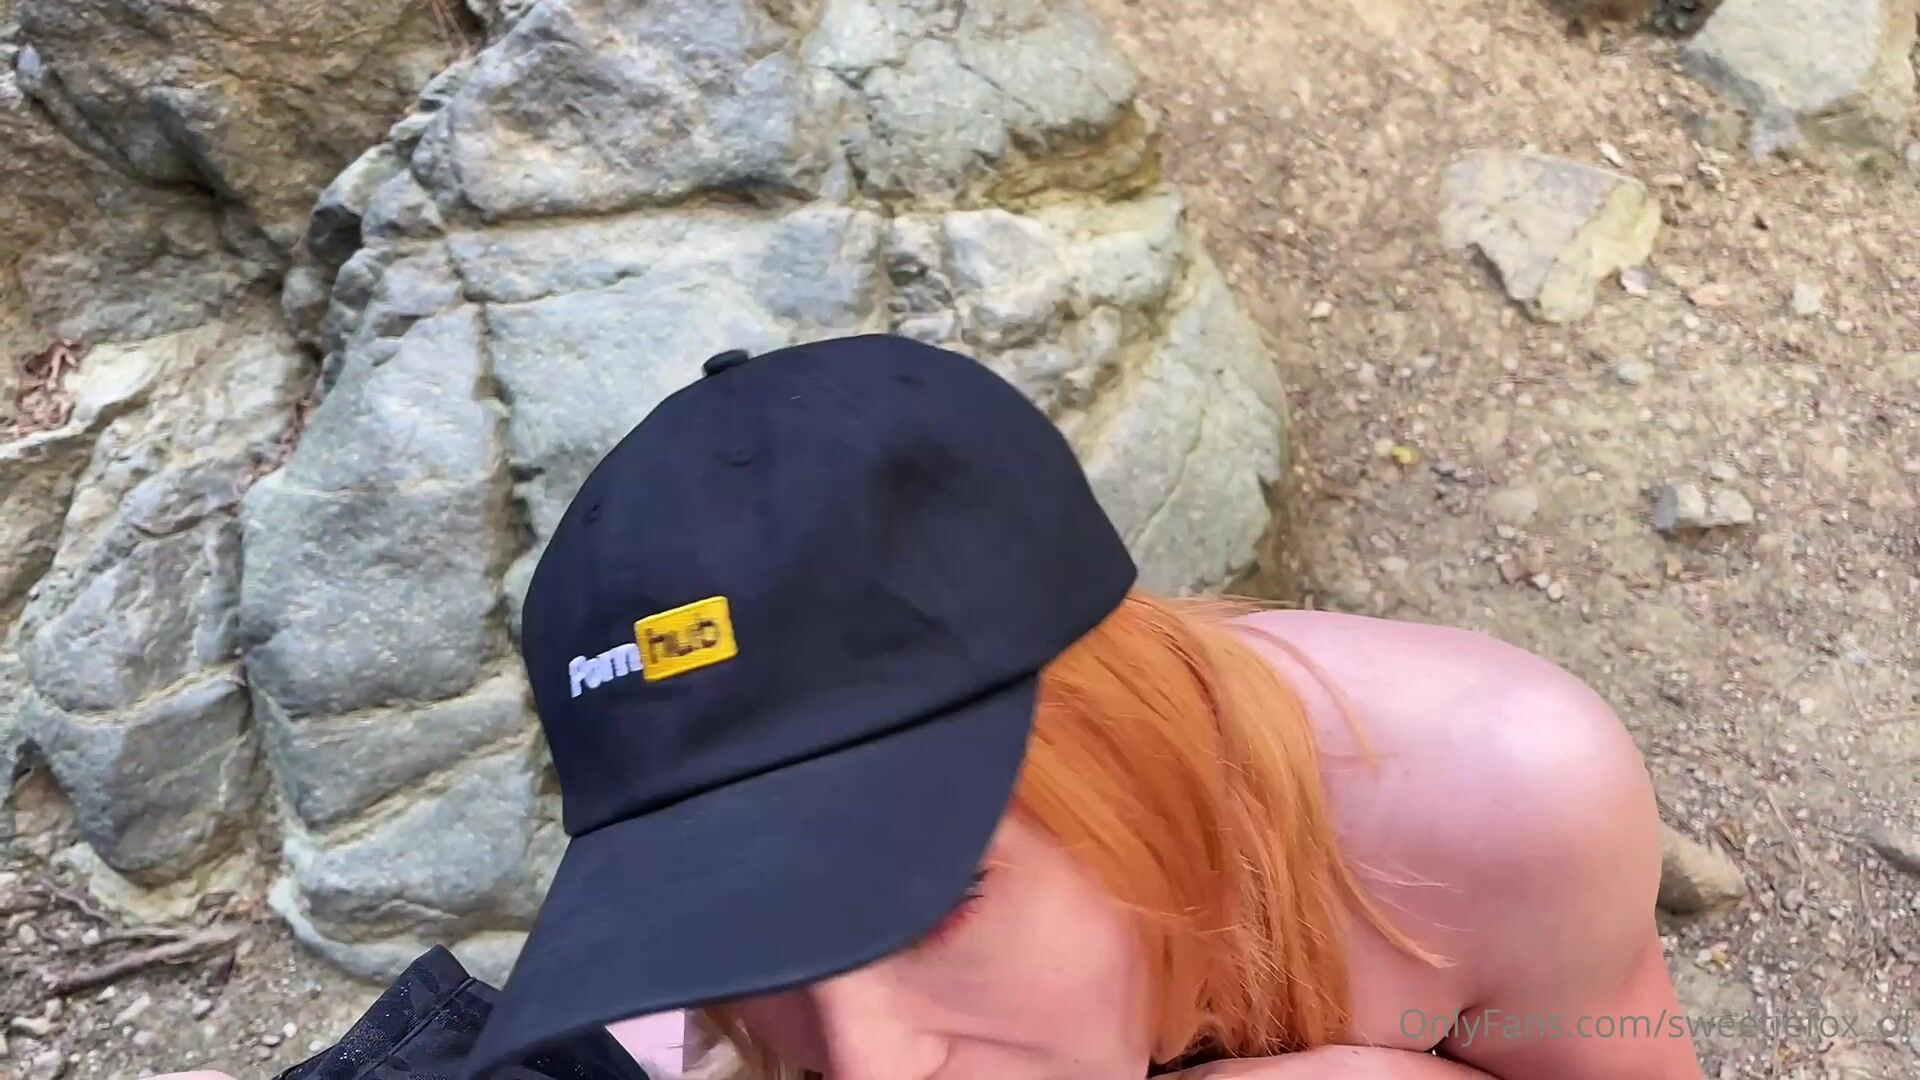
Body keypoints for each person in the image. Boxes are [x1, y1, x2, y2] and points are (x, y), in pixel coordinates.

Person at [148, 335, 1702, 1079]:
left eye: (936, 898)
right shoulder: (651, 1041)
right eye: (736, 949)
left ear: (1121, 750)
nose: (868, 1069)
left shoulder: (1500, 803)